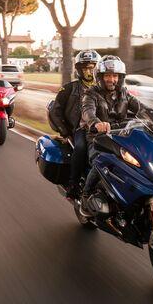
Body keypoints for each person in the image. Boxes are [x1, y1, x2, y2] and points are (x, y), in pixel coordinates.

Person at [79, 55, 146, 214]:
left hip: (121, 137)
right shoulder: (91, 94)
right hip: (98, 138)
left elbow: (142, 108)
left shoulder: (124, 93)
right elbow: (87, 111)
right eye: (108, 75)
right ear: (100, 77)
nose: (111, 79)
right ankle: (86, 196)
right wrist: (96, 123)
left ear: (120, 78)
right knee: (101, 160)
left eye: (115, 76)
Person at [49, 50, 100, 200]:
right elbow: (55, 111)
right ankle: (74, 184)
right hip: (79, 128)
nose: (89, 72)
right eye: (85, 68)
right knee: (81, 147)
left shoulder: (102, 88)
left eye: (92, 68)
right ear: (79, 70)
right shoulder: (69, 88)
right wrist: (65, 132)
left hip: (103, 128)